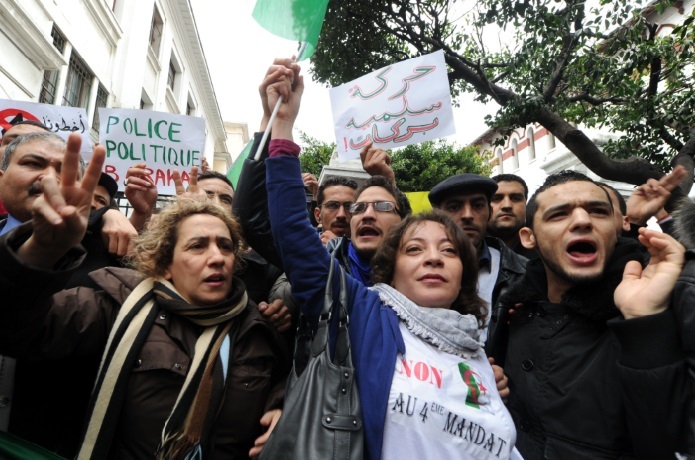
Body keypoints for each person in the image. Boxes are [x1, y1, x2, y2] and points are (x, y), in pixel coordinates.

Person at [263, 66, 517, 459]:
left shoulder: (475, 351)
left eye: (449, 250)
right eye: (415, 250)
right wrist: (281, 127)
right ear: (390, 268)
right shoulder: (363, 315)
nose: (434, 256)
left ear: (465, 272)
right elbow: (293, 233)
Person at [0, 133, 288, 459]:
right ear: (165, 264)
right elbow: (17, 330)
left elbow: (286, 382)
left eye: (224, 245)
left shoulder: (257, 329)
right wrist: (40, 254)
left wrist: (281, 409)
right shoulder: (115, 301)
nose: (217, 257)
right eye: (197, 245)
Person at [503, 170, 689, 458]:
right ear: (529, 238)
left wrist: (644, 323)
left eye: (599, 211)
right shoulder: (514, 311)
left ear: (617, 227)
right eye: (558, 215)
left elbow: (667, 443)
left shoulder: (667, 304)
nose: (582, 221)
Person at [428, 173, 527, 362]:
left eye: (478, 205)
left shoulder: (523, 272)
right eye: (454, 207)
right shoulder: (416, 271)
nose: (467, 215)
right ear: (439, 216)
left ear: (489, 212)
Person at [488, 174, 534, 259]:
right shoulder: (466, 249)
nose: (507, 205)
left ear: (525, 204)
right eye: (496, 198)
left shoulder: (544, 249)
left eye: (516, 198)